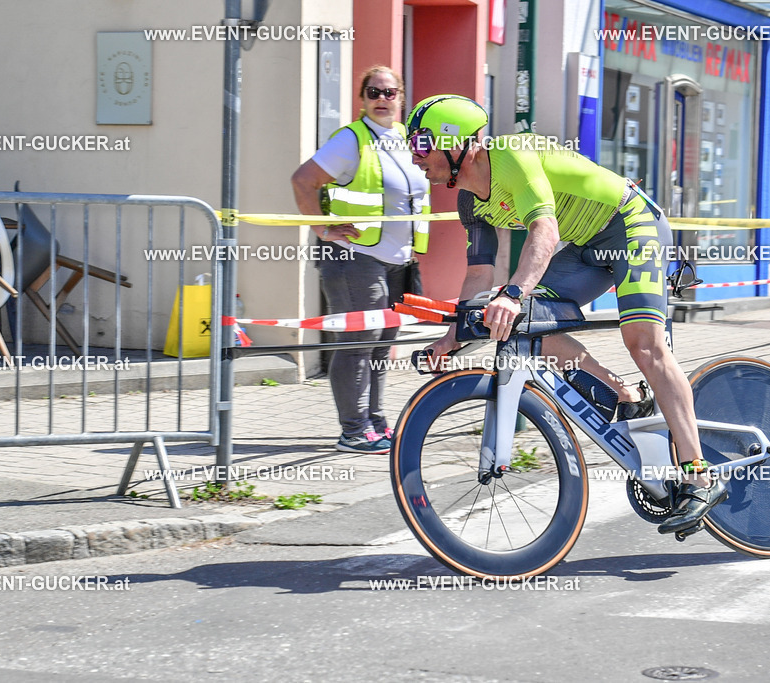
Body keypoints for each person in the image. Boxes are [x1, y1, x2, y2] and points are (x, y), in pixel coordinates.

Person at [408, 94, 721, 534]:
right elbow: (479, 275)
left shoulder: (511, 156)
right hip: (586, 248)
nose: (415, 155)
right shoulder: (469, 200)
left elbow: (544, 230)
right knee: (527, 320)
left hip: (631, 224)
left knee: (644, 345)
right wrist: (452, 340)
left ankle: (698, 474)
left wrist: (513, 292)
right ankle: (626, 395)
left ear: (459, 144)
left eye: (422, 144)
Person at [291, 66, 430, 454]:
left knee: (382, 345)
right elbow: (303, 180)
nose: (382, 99)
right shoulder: (352, 140)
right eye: (373, 92)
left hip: (396, 261)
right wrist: (322, 229)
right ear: (362, 98)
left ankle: (374, 421)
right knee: (357, 344)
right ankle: (353, 430)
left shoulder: (405, 138)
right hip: (354, 258)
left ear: (402, 96)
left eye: (390, 92)